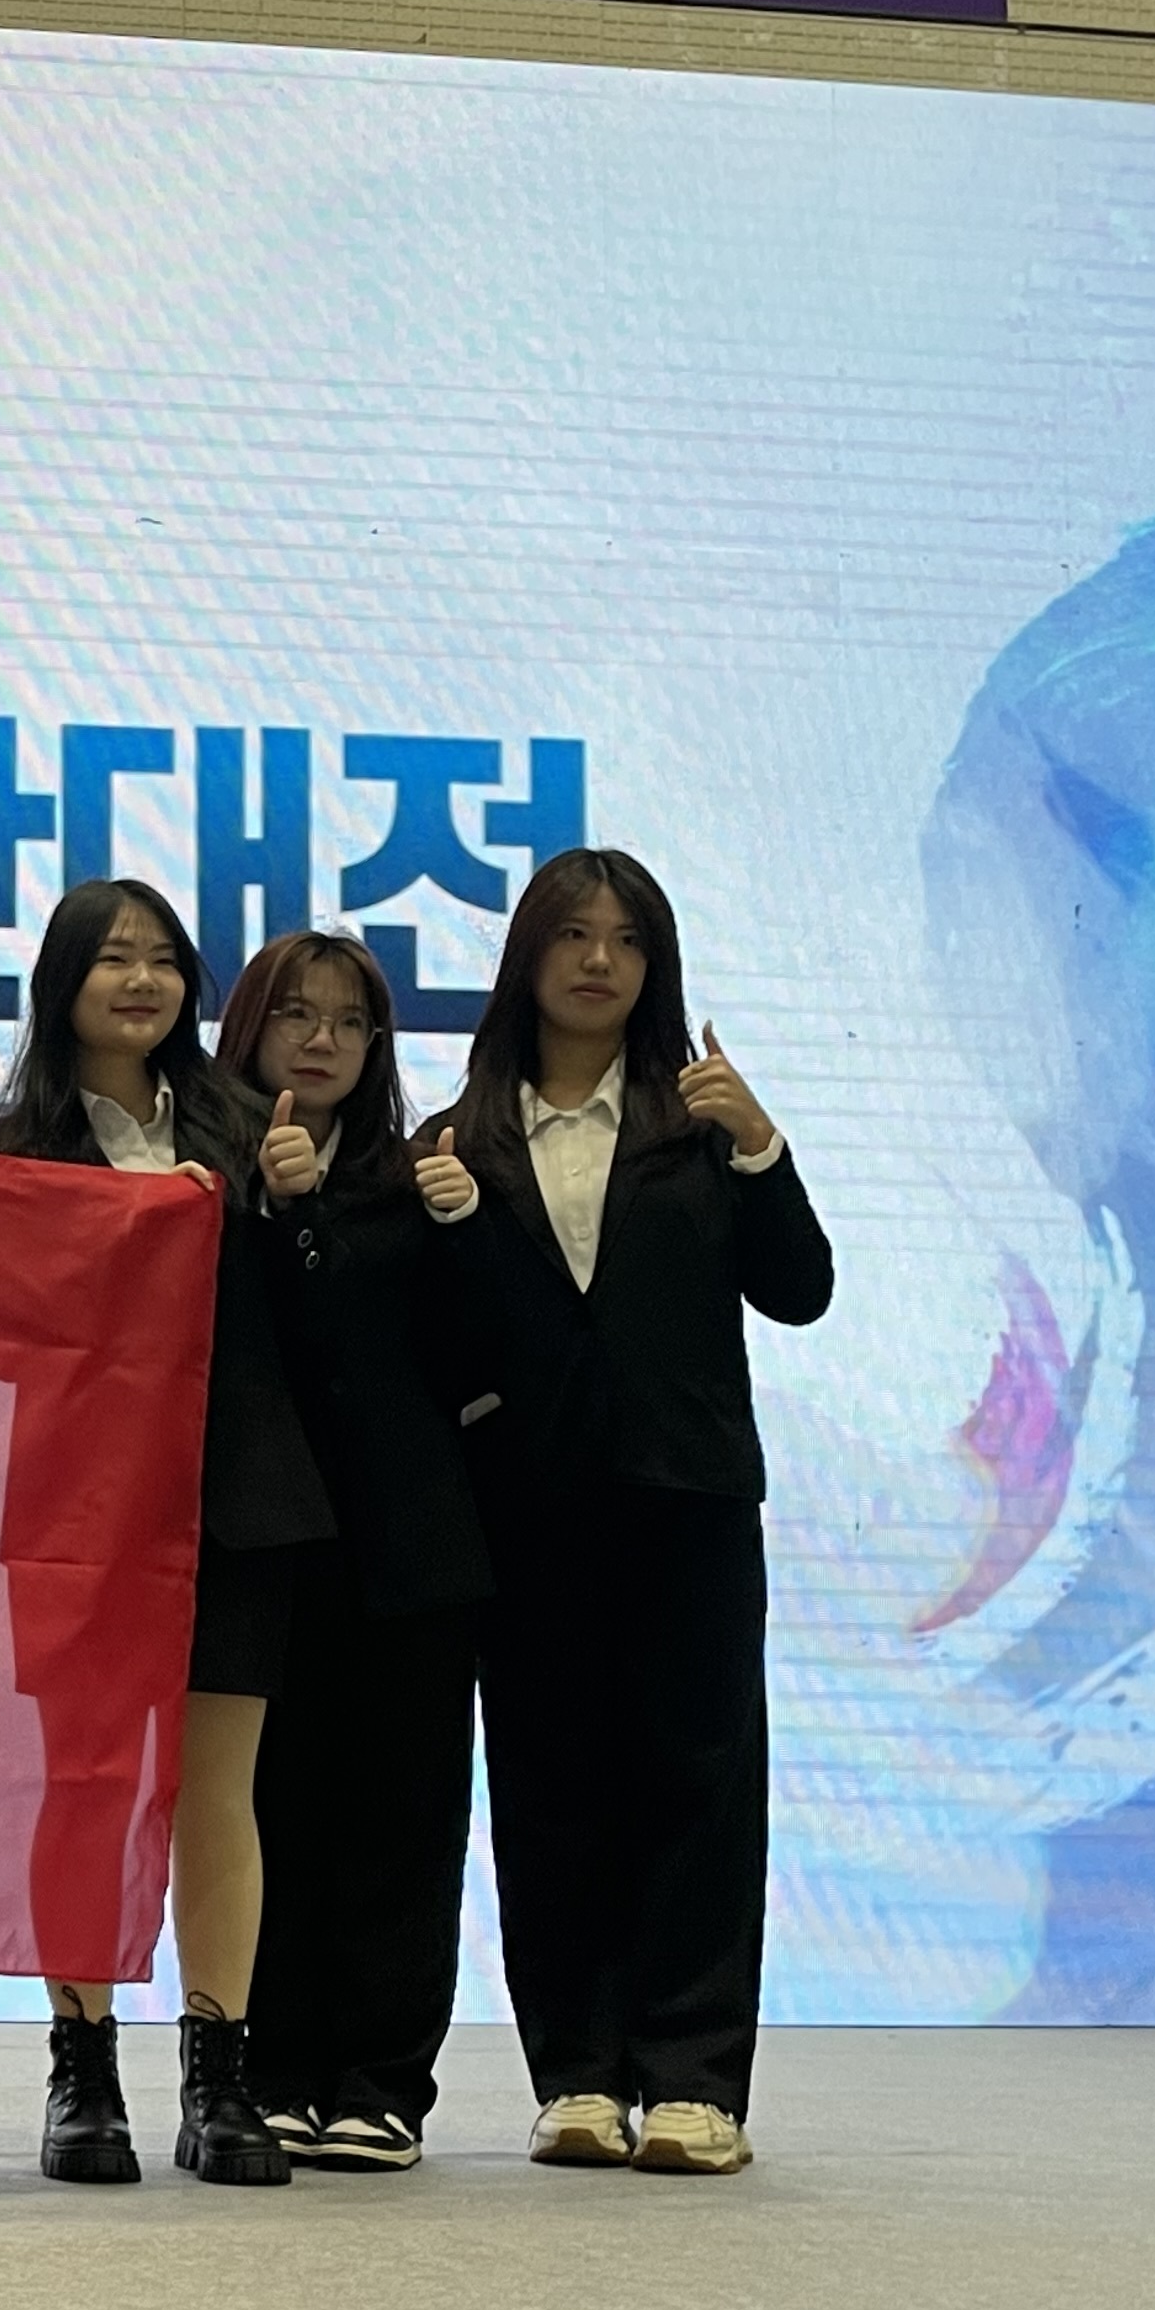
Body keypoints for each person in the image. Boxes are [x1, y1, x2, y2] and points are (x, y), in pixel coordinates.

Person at [420, 850, 830, 2175]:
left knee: (700, 1784)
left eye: (628, 940)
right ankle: (581, 2077)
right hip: (526, 1509)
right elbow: (433, 1345)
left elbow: (801, 1290)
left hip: (687, 1498)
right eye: (574, 935)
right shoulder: (453, 1141)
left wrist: (760, 1147)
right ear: (527, 957)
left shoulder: (700, 1127)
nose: (599, 961)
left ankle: (697, 2081)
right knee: (549, 1789)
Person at [0, 881, 326, 2188]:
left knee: (217, 1792)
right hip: (71, 1506)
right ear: (61, 981)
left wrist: (285, 1210)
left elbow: (316, 1324)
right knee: (81, 1784)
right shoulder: (12, 1148)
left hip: (235, 1498)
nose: (141, 981)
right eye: (112, 959)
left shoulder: (253, 1126)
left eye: (164, 960)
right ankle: (83, 2067)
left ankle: (220, 2074)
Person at [212, 930, 493, 2170]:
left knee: (402, 1821)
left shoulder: (421, 1175)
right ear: (250, 1029)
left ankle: (382, 2083)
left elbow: (482, 1357)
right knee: (271, 1811)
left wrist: (468, 1230)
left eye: (348, 1021)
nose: (321, 1041)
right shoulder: (207, 1176)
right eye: (296, 1015)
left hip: (409, 1550)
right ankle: (273, 2069)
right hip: (262, 1548)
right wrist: (278, 1212)